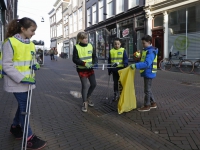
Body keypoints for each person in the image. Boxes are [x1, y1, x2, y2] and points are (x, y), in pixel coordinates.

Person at [2, 17, 46, 149]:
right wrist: (21, 78)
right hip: (17, 83)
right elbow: (6, 65)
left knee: (23, 106)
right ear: (23, 29)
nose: (34, 33)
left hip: (28, 82)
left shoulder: (31, 44)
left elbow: (31, 59)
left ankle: (15, 127)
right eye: (32, 30)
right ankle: (29, 137)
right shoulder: (9, 43)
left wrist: (35, 65)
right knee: (25, 108)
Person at [130, 35, 158, 112]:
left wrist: (136, 65)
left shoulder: (151, 51)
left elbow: (146, 63)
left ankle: (147, 105)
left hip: (149, 72)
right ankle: (153, 103)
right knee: (148, 89)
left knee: (147, 90)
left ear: (149, 42)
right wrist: (138, 57)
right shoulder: (146, 50)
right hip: (147, 72)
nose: (143, 45)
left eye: (143, 43)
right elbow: (143, 60)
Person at [72, 32, 97, 113]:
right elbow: (74, 59)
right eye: (84, 38)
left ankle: (88, 97)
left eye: (86, 38)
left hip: (90, 69)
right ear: (80, 39)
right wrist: (84, 63)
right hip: (81, 69)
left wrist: (95, 63)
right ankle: (84, 102)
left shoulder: (90, 45)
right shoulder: (76, 47)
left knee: (93, 84)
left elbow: (94, 56)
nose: (86, 39)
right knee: (85, 86)